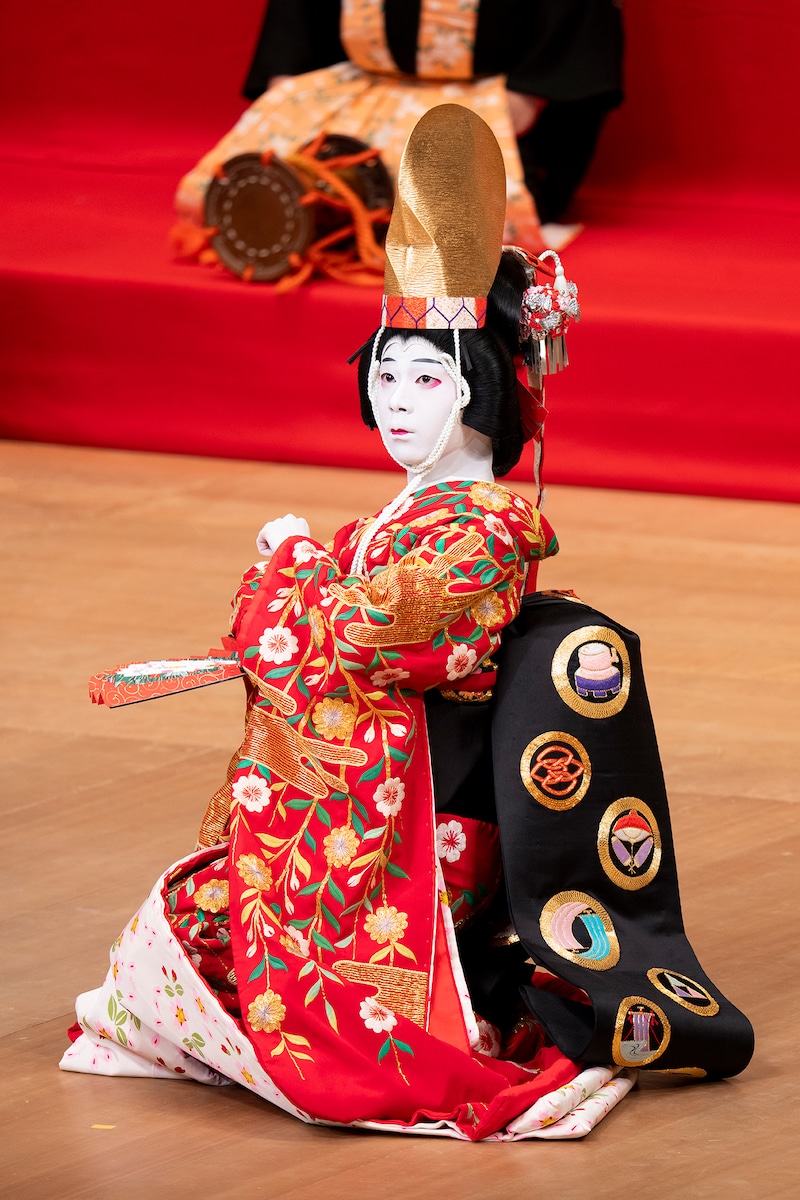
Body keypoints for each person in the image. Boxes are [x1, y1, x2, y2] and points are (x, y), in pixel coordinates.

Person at [63, 106, 753, 1139]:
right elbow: (295, 629)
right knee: (193, 921)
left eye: (426, 378)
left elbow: (370, 638)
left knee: (239, 958)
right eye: (383, 374)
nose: (396, 401)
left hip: (425, 818)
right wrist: (299, 577)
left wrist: (289, 564)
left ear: (480, 389)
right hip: (364, 798)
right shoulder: (388, 518)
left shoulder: (493, 527)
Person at [172, 0, 623, 268]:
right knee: (248, 177)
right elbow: (294, 37)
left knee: (446, 196)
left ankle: (339, 215)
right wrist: (288, 114)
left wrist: (516, 108)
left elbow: (560, 50)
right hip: (358, 84)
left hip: (486, 99)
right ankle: (310, 206)